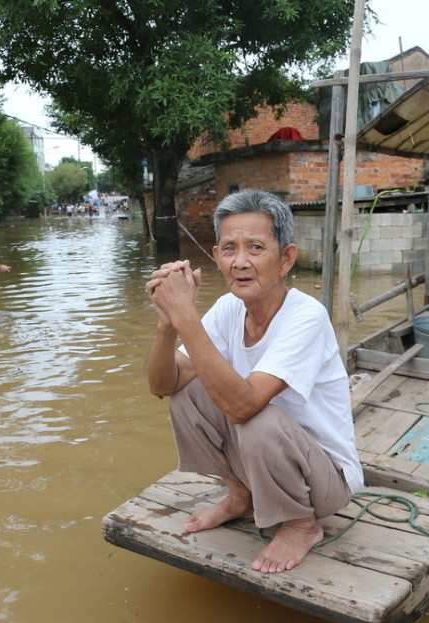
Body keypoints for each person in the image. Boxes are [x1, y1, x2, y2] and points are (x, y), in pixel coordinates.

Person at [145, 189, 363, 574]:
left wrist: (187, 317)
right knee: (187, 392)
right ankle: (241, 495)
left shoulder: (306, 316)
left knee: (257, 418)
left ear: (286, 258)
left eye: (256, 248)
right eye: (229, 249)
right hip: (262, 457)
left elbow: (244, 406)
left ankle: (300, 523)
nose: (241, 262)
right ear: (216, 258)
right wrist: (168, 324)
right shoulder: (230, 307)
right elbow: (163, 385)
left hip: (325, 481)